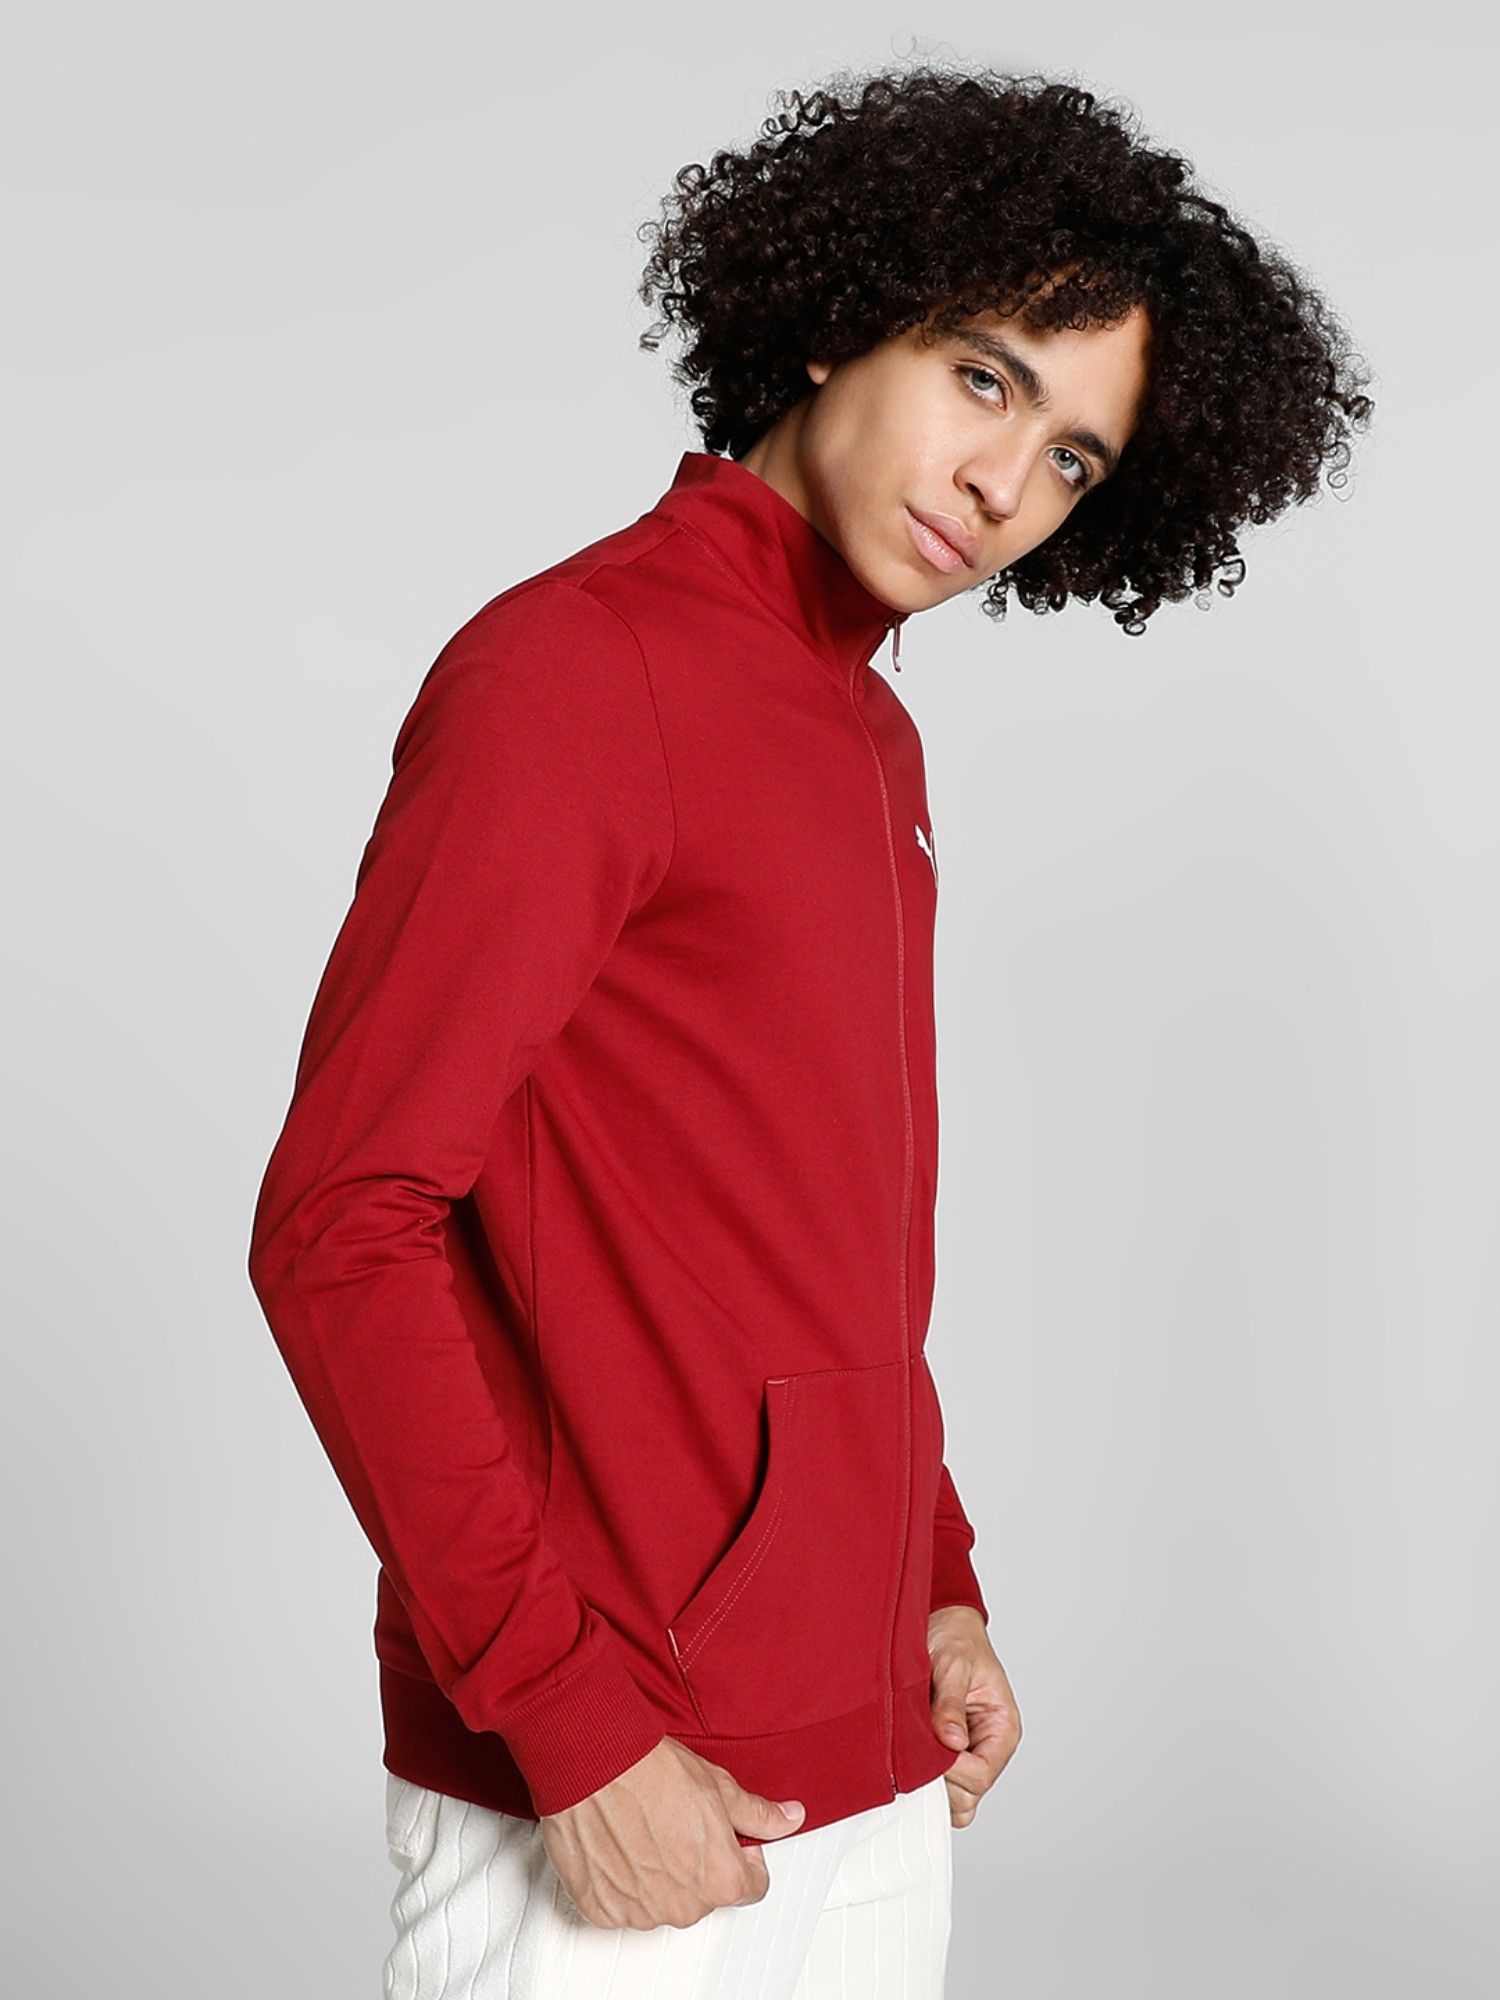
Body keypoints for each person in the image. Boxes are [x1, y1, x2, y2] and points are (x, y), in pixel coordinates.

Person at [247, 63, 1372, 1998]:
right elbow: (339, 1224)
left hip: (868, 1764)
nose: (1006, 485)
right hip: (618, 1784)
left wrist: (932, 1581)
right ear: (849, 313)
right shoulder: (577, 673)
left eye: (1075, 459)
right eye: (986, 377)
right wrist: (568, 1724)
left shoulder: (872, 735)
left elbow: (816, 1247)